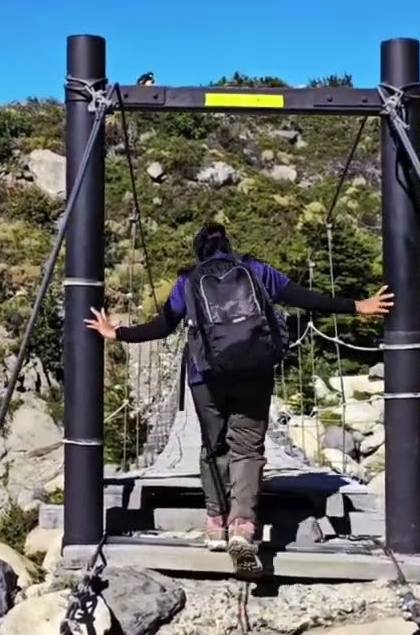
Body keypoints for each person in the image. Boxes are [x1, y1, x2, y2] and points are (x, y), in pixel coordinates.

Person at [83, 223, 393, 569]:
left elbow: (164, 325)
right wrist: (357, 306)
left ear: (198, 251)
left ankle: (216, 522)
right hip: (254, 373)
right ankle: (242, 526)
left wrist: (117, 333)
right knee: (247, 448)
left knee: (214, 447)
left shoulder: (189, 280)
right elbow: (302, 297)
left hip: (206, 378)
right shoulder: (256, 270)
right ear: (228, 246)